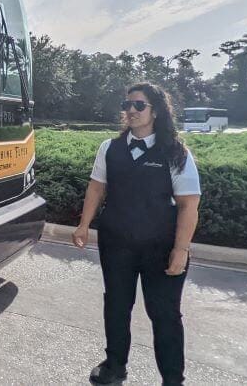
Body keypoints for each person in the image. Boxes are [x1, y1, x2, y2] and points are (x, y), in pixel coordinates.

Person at [73, 82, 201, 386]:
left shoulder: (175, 152)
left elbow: (188, 204)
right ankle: (114, 366)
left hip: (161, 248)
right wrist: (83, 224)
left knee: (164, 314)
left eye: (138, 105)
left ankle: (173, 379)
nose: (130, 110)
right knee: (116, 305)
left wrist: (180, 250)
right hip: (116, 244)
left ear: (156, 110)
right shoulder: (110, 148)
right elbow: (96, 187)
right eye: (126, 105)